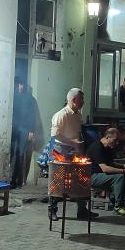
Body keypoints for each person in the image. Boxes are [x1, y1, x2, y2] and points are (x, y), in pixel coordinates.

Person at [48, 88, 94, 221]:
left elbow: (77, 132)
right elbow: (55, 135)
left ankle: (82, 210)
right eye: (82, 99)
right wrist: (72, 142)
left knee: (80, 178)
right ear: (74, 100)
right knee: (58, 180)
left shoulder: (78, 114)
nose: (83, 101)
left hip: (75, 149)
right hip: (60, 150)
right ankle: (52, 210)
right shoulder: (61, 115)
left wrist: (77, 145)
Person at [85, 127, 125, 216]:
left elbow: (111, 163)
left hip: (101, 175)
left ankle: (114, 198)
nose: (117, 143)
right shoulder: (97, 147)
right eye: (115, 140)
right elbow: (105, 168)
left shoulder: (108, 148)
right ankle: (118, 206)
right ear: (107, 137)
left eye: (118, 140)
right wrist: (123, 171)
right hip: (90, 176)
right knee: (120, 177)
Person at [10, 77, 38, 188]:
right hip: (14, 129)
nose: (19, 87)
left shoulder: (30, 99)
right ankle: (12, 180)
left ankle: (17, 181)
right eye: (18, 84)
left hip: (24, 129)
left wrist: (31, 131)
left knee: (20, 154)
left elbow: (33, 116)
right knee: (13, 153)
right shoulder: (13, 97)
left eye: (21, 84)